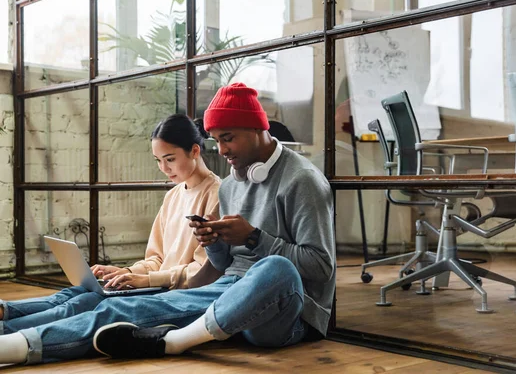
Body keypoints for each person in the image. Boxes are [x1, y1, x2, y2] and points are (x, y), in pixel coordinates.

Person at [0, 83, 335, 365]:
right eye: (217, 140)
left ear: (258, 128)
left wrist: (254, 238)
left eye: (228, 138)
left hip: (286, 315)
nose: (222, 150)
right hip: (226, 297)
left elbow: (321, 267)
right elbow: (226, 266)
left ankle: (174, 341)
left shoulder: (301, 180)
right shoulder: (234, 183)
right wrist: (215, 244)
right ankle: (13, 346)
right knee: (118, 306)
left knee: (274, 267)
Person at [0, 114, 222, 337]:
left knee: (84, 302)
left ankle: (6, 333)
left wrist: (144, 281)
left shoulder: (218, 196)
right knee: (76, 292)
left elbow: (201, 272)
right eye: (157, 160)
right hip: (155, 285)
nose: (163, 168)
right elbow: (157, 259)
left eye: (170, 159)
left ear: (194, 151)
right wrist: (126, 273)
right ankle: (4, 311)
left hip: (175, 294)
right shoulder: (173, 196)